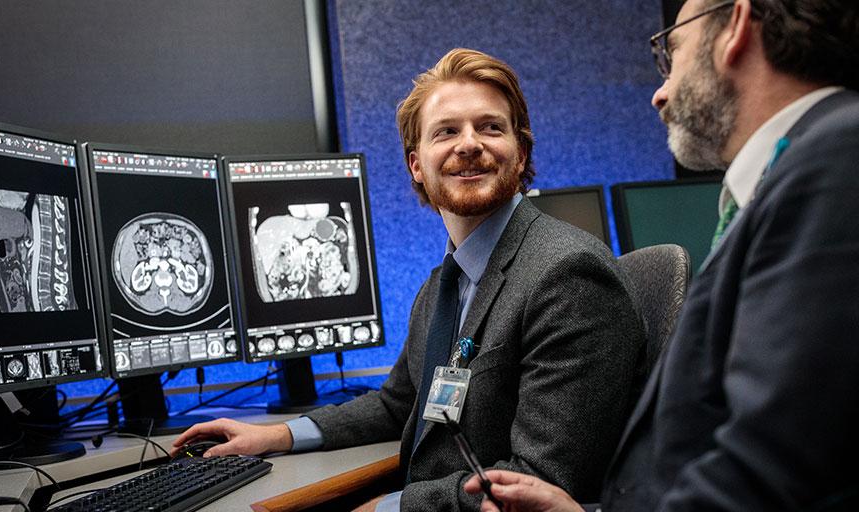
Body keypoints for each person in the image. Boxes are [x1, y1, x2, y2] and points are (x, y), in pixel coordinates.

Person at [172, 48, 646, 511]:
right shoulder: (445, 284)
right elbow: (398, 405)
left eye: (490, 127)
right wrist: (277, 434)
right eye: (446, 132)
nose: (468, 144)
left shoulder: (566, 274)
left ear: (519, 154)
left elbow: (536, 483)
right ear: (417, 165)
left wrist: (390, 506)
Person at [462, 0, 859, 510]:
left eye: (672, 51)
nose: (659, 93)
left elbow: (769, 474)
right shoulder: (795, 175)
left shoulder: (835, 161)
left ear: (734, 25)